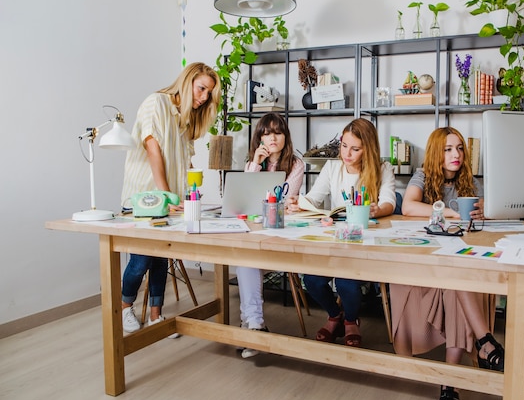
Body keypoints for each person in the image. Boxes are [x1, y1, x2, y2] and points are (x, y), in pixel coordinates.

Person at [392, 126, 504, 400]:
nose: (456, 154)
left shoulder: (470, 181)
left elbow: (489, 208)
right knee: (459, 280)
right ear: (436, 153)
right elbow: (408, 206)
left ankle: (449, 384)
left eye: (460, 148)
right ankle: (484, 342)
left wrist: (483, 210)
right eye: (448, 149)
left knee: (458, 282)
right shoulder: (423, 175)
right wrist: (451, 212)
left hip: (456, 262)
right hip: (426, 265)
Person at [119, 62, 221, 336]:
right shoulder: (156, 103)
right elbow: (154, 151)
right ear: (187, 81)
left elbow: (185, 163)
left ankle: (155, 315)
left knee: (161, 259)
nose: (203, 97)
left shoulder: (185, 118)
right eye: (201, 89)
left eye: (208, 94)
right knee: (140, 261)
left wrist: (188, 197)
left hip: (169, 201)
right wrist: (165, 196)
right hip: (144, 200)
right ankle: (124, 307)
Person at [286, 118, 396, 348]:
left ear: (368, 149)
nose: (347, 153)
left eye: (355, 149)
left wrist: (377, 209)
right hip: (337, 240)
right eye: (344, 146)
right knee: (312, 280)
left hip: (365, 242)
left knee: (347, 283)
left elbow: (390, 203)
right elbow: (314, 198)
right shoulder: (333, 167)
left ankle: (350, 321)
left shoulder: (383, 169)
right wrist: (299, 202)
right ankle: (335, 315)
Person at [236, 112, 304, 358]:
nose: (272, 138)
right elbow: (244, 200)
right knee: (245, 257)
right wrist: (255, 164)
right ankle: (254, 325)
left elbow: (284, 203)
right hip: (256, 230)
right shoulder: (252, 164)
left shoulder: (296, 165)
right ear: (259, 138)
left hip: (281, 231)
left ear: (285, 136)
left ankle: (251, 325)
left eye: (277, 132)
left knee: (246, 258)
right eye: (266, 133)